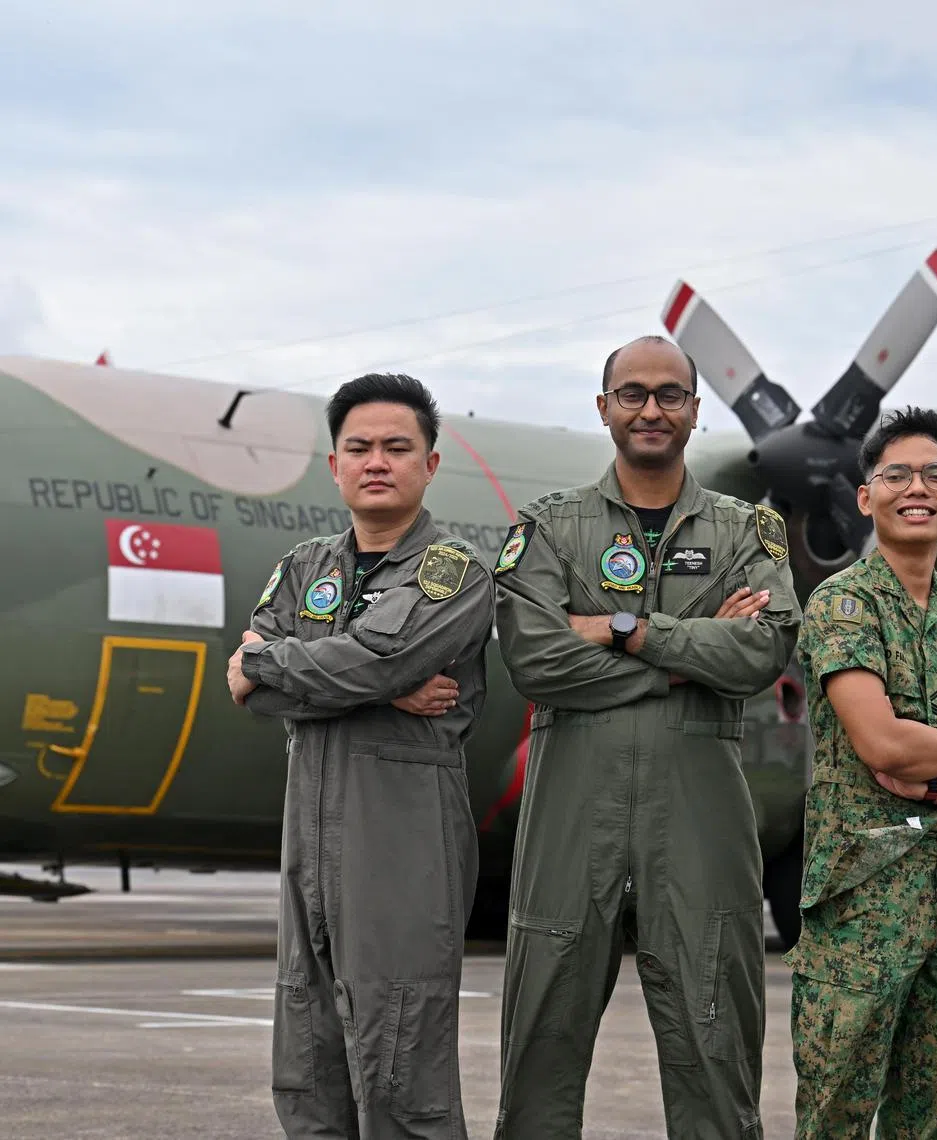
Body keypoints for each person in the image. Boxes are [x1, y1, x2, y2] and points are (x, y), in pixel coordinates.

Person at [492, 335, 802, 1139]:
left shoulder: (746, 531)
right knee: (540, 1048)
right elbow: (536, 659)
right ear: (604, 409)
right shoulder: (549, 528)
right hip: (573, 813)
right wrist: (688, 654)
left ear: (696, 412)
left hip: (697, 815)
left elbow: (763, 650)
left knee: (715, 1043)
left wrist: (623, 630)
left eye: (670, 394)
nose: (652, 409)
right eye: (633, 393)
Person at [225, 373, 495, 1140]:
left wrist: (287, 665)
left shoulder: (454, 569)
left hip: (401, 837)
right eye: (359, 447)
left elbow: (380, 657)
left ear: (430, 465)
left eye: (397, 447)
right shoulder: (306, 566)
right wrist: (376, 684)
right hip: (308, 834)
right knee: (307, 1060)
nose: (377, 461)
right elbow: (249, 683)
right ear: (335, 465)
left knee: (400, 1062)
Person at [787, 407, 937, 1138]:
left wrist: (933, 783)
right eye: (895, 475)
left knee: (934, 1114)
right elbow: (883, 744)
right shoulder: (842, 604)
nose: (915, 488)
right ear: (866, 498)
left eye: (934, 474)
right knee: (836, 1109)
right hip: (860, 912)